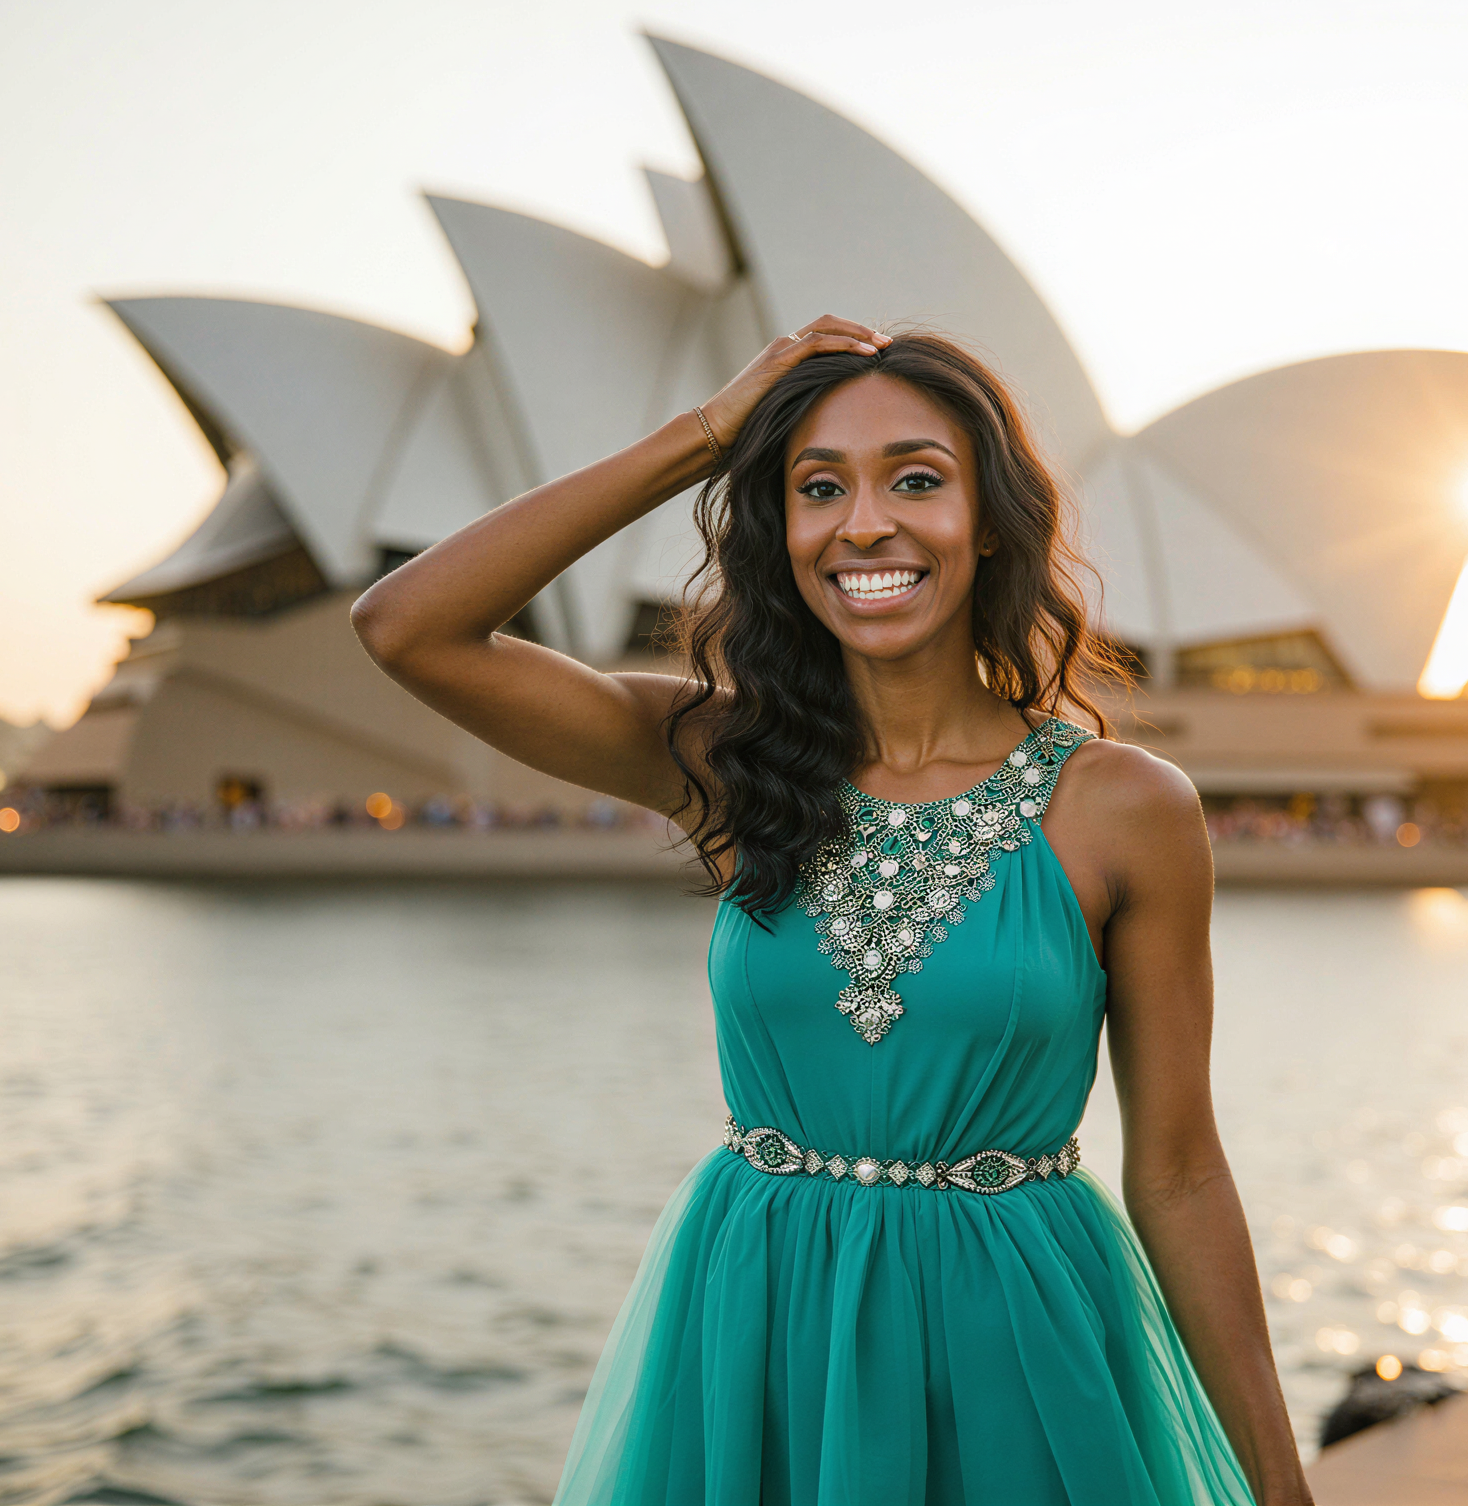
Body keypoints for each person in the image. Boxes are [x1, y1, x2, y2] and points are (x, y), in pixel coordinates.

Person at [351, 318, 1308, 1505]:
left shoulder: (1124, 809)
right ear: (780, 531)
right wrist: (701, 436)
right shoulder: (727, 760)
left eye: (916, 479)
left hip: (1013, 1336)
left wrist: (1280, 1488)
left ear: (992, 519)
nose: (863, 523)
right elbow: (409, 628)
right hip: (757, 1320)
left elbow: (1176, 1173)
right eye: (817, 488)